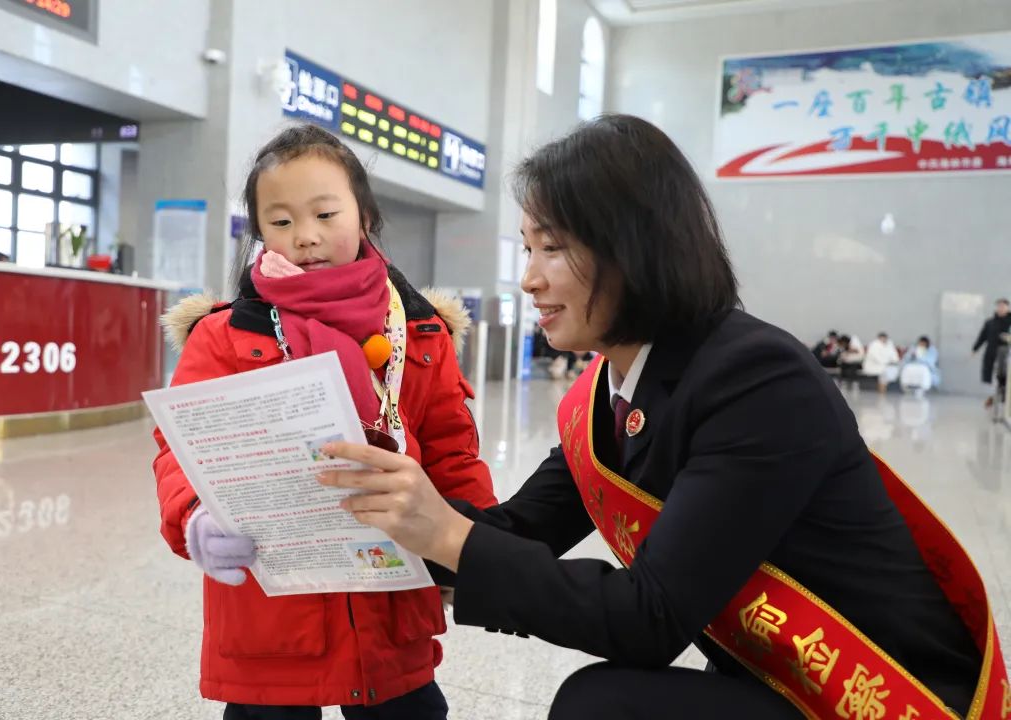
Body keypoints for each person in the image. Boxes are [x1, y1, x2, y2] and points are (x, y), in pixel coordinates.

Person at [318, 115, 1004, 719]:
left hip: (880, 692)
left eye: (551, 247)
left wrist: (450, 538)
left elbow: (649, 619)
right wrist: (375, 525)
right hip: (779, 676)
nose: (529, 278)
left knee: (603, 706)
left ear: (633, 248)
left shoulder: (757, 380)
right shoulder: (609, 390)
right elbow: (525, 527)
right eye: (527, 249)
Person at [153, 124, 496, 719]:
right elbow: (181, 446)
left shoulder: (418, 332)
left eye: (325, 214)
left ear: (364, 216)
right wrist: (195, 516)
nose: (305, 236)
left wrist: (478, 547)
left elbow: (451, 453)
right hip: (272, 610)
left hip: (389, 601)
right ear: (259, 231)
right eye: (281, 221)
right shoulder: (222, 335)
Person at [972, 298, 1011, 408]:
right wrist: (975, 349)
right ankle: (997, 397)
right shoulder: (990, 322)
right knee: (997, 378)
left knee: (1005, 377)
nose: (1001, 308)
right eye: (999, 306)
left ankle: (999, 398)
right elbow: (983, 336)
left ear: (1008, 308)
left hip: (1007, 354)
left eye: (1003, 306)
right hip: (993, 354)